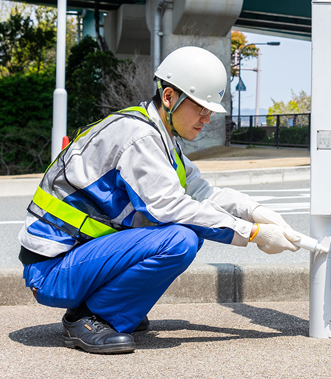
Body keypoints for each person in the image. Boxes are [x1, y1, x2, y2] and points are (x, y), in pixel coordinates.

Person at [18, 46, 303, 354]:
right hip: (51, 271)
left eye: (210, 111)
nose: (206, 119)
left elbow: (203, 194)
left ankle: (116, 308)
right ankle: (89, 317)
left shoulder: (161, 138)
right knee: (180, 238)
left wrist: (255, 212)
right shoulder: (140, 138)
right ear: (169, 97)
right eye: (201, 109)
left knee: (190, 230)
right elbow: (173, 209)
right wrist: (255, 235)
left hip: (73, 259)